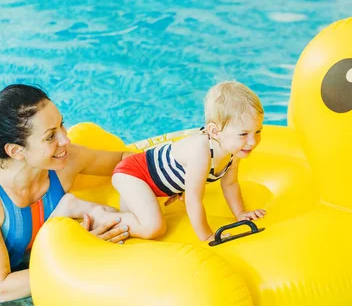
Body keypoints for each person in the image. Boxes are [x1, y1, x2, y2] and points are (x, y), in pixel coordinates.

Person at [0, 84, 133, 302]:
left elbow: (126, 161)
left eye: (61, 125)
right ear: (16, 151)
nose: (66, 140)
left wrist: (169, 179)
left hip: (37, 264)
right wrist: (76, 253)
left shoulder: (68, 160)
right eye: (50, 137)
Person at [94, 81, 266, 241]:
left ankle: (109, 214)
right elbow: (193, 200)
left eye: (257, 131)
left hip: (149, 183)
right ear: (214, 131)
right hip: (133, 174)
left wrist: (241, 213)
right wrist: (207, 236)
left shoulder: (233, 150)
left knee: (135, 218)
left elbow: (230, 185)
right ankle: (99, 216)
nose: (253, 141)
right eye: (244, 134)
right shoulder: (202, 151)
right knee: (153, 228)